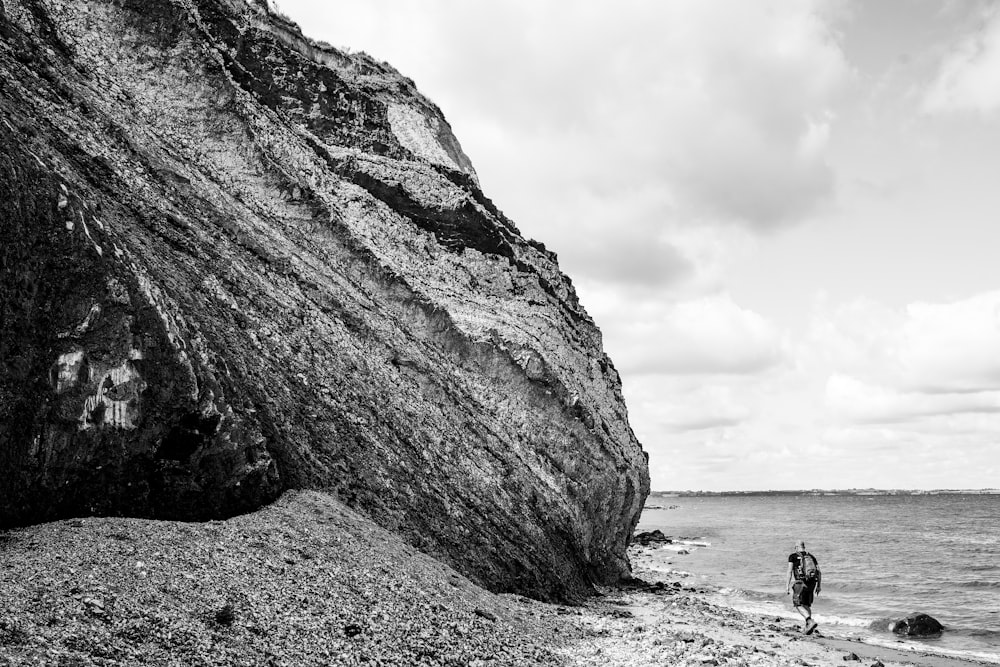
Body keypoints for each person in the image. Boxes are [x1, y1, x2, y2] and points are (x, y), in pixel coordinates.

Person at [786, 539, 822, 634]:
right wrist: (819, 586)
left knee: (798, 604)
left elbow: (789, 571)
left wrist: (787, 585)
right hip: (812, 583)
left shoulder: (793, 556)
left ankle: (809, 621)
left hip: (800, 583)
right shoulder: (811, 556)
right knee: (806, 604)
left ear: (797, 547)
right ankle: (808, 628)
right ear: (804, 546)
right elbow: (819, 572)